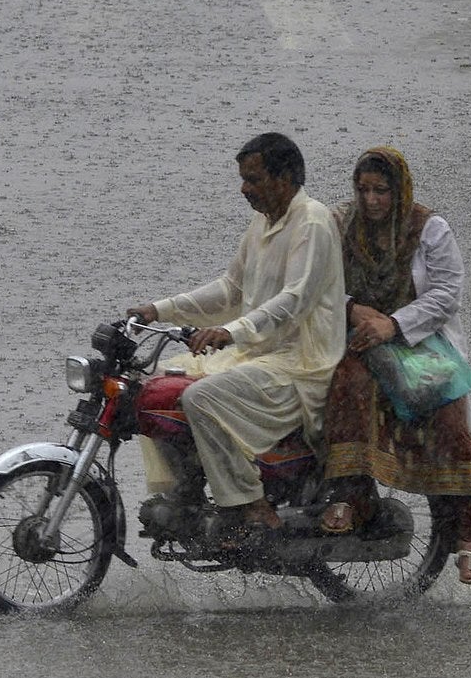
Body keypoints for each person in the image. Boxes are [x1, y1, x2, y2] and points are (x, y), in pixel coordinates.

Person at [126, 131, 347, 546]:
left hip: (298, 364)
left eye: (253, 179)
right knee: (156, 387)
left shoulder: (313, 221)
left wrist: (231, 331)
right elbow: (231, 290)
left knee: (200, 397)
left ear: (284, 179)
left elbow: (294, 300)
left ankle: (251, 502)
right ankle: (188, 490)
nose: (244, 189)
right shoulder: (263, 222)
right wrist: (160, 308)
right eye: (243, 179)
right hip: (255, 355)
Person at [321, 146, 471, 585]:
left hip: (421, 340)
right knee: (348, 386)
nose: (371, 200)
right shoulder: (339, 225)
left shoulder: (429, 228)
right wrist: (353, 310)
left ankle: (469, 535)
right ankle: (350, 493)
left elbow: (447, 294)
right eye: (363, 190)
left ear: (399, 191)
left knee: (448, 413)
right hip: (359, 338)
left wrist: (394, 324)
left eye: (381, 190)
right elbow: (317, 283)